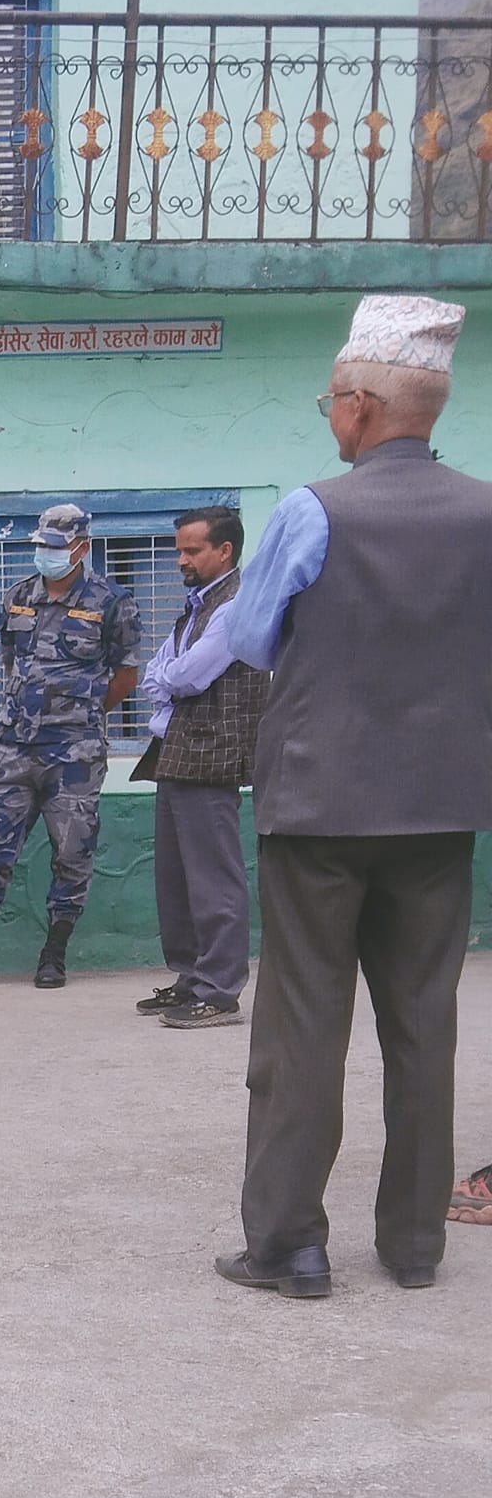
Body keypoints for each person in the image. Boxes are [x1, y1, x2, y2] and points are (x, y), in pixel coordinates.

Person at [214, 293, 492, 1299]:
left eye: (329, 401)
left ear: (365, 407)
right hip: (440, 805)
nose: (326, 416)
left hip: (319, 804)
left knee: (301, 1027)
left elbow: (247, 641)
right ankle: (414, 1245)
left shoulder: (311, 509)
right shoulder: (484, 509)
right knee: (423, 1024)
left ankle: (287, 1244)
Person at [0, 501, 141, 990]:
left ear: (81, 547)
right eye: (41, 545)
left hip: (76, 754)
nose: (46, 554)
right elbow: (11, 663)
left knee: (71, 853)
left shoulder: (111, 601)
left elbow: (126, 674)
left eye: (56, 547)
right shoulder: (18, 596)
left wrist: (80, 713)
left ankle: (53, 956)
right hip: (15, 749)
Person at [130, 505, 267, 1030]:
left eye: (192, 550)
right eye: (180, 549)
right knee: (176, 878)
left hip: (213, 755)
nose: (180, 559)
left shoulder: (235, 605)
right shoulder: (197, 604)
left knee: (214, 878)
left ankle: (219, 989)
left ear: (224, 550)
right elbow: (157, 672)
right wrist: (165, 672)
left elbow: (187, 675)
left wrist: (166, 673)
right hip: (178, 752)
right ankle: (190, 979)